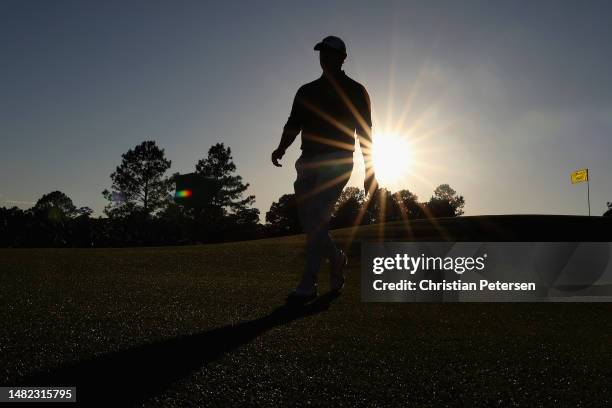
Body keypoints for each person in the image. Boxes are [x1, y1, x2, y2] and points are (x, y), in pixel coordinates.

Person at [271, 35, 378, 304]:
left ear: (343, 57)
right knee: (311, 221)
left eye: (330, 53)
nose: (324, 57)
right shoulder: (306, 91)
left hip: (338, 161)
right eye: (322, 52)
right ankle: (337, 257)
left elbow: (365, 133)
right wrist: (281, 148)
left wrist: (370, 172)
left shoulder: (355, 90)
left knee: (318, 217)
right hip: (308, 161)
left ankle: (308, 283)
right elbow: (293, 124)